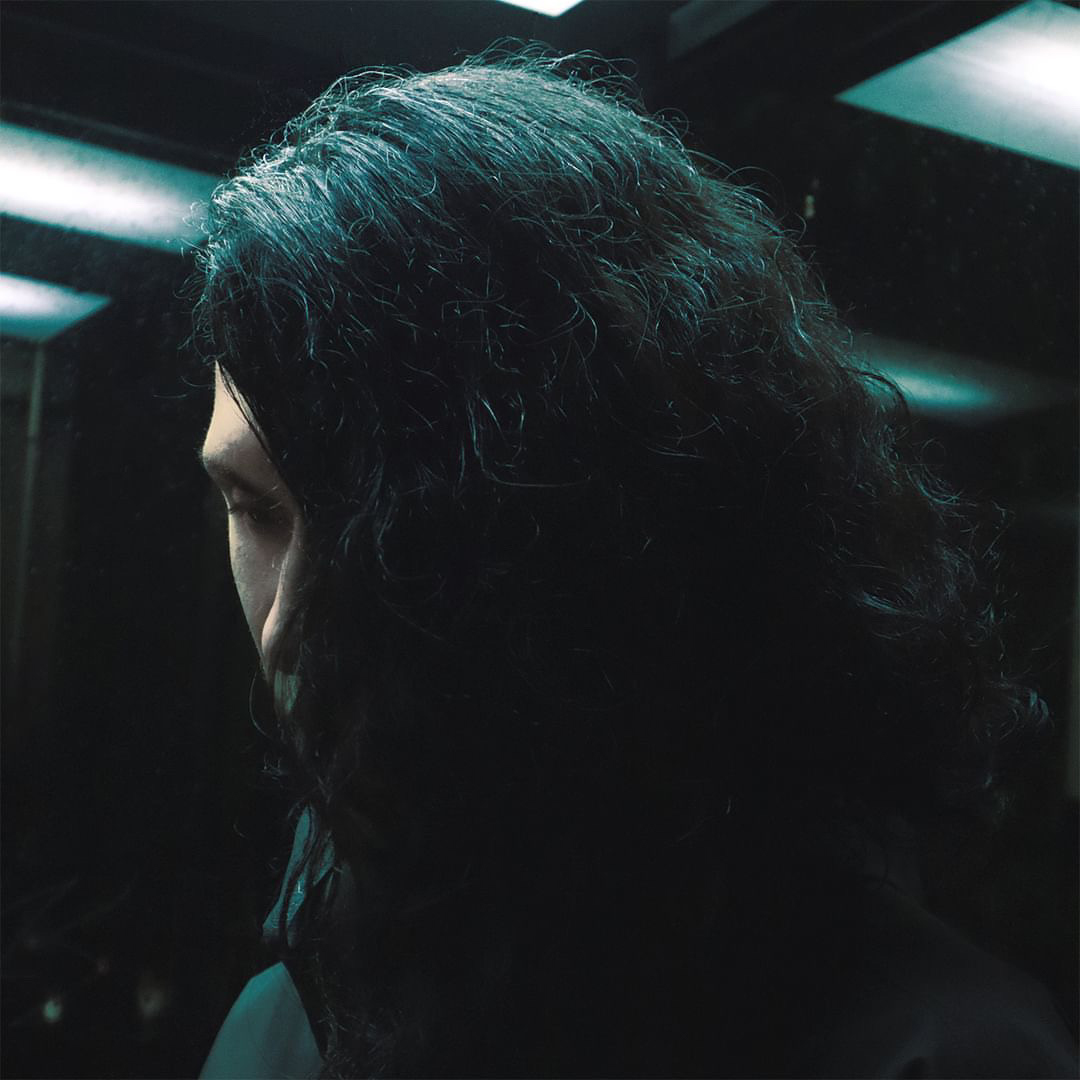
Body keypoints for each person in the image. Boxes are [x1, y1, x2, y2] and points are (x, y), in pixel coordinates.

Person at [193, 48, 1077, 1079]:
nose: (285, 631)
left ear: (600, 543)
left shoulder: (942, 1057)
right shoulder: (281, 1031)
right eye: (256, 510)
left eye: (396, 535)